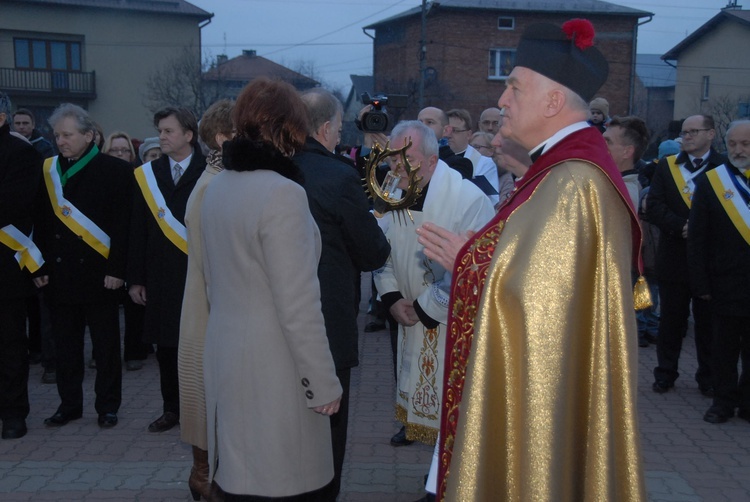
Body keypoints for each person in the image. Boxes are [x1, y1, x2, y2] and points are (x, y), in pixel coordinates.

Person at [421, 19, 646, 500]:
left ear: (552, 101)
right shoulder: (559, 168)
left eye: (514, 87)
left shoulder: (573, 181)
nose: (502, 100)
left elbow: (542, 308)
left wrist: (472, 261)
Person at [200, 78, 342, 501]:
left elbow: (212, 279)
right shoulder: (283, 194)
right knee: (287, 485)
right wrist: (323, 382)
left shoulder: (218, 186)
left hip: (228, 356)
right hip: (276, 369)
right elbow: (298, 303)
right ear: (292, 128)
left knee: (242, 481)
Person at [294, 87, 391, 500]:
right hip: (326, 318)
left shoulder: (271, 169)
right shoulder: (337, 175)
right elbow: (373, 251)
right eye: (337, 129)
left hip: (275, 320)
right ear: (327, 127)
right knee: (328, 424)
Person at [373, 120, 494, 448]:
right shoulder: (394, 191)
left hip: (448, 323)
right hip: (406, 316)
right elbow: (381, 250)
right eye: (392, 159)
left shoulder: (468, 200)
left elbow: (476, 269)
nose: (396, 166)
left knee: (457, 415)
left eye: (405, 159)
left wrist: (426, 307)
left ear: (431, 161)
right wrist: (392, 297)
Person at [34, 103, 132, 429]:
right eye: (57, 135)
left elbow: (123, 227)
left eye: (67, 134)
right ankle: (69, 405)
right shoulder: (48, 170)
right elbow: (42, 224)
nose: (60, 140)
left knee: (105, 347)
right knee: (66, 347)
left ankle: (107, 406)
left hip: (101, 275)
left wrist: (118, 270)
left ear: (89, 135)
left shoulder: (115, 171)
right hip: (60, 275)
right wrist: (40, 266)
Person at [128, 107, 206, 433]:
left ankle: (202, 409)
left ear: (188, 135)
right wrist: (135, 278)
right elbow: (137, 229)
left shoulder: (209, 171)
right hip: (160, 275)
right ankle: (171, 409)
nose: (161, 137)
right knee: (166, 347)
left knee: (200, 346)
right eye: (160, 131)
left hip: (198, 273)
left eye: (168, 131)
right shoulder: (148, 173)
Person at [177, 99, 233, 502]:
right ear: (221, 137)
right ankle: (203, 477)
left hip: (210, 305)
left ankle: (209, 474)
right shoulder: (215, 184)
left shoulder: (217, 176)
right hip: (211, 308)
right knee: (208, 397)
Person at [648, 114, 726, 396]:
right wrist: (680, 226)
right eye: (684, 132)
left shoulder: (723, 167)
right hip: (674, 255)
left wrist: (701, 231)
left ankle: (707, 377)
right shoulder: (668, 167)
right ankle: (665, 374)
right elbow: (653, 205)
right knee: (671, 320)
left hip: (709, 260)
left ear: (711, 134)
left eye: (694, 131)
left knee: (708, 324)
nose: (687, 137)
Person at [688, 120, 750, 424]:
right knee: (723, 349)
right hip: (724, 281)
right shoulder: (713, 181)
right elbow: (697, 237)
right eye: (734, 144)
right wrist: (700, 282)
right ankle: (722, 402)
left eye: (746, 144)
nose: (738, 150)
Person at [0, 92, 43, 440]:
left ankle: (13, 413)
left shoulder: (21, 153)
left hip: (5, 266)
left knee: (10, 343)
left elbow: (14, 204)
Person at [445, 108, 500, 205]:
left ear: (468, 134)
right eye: (446, 130)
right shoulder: (436, 159)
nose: (449, 135)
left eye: (455, 131)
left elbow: (491, 200)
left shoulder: (484, 163)